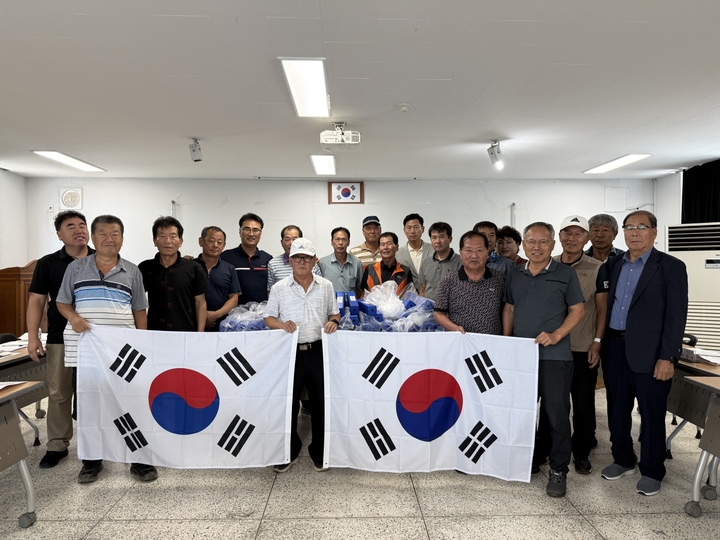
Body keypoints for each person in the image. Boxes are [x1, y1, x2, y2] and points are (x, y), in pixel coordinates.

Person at [56, 215, 153, 483]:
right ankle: (91, 461)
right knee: (90, 407)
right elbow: (62, 302)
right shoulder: (76, 268)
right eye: (103, 234)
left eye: (115, 234)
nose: (109, 239)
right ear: (93, 237)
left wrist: (141, 343)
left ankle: (139, 460)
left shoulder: (132, 271)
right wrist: (74, 318)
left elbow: (139, 310)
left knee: (131, 404)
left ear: (122, 238)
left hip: (123, 352)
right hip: (86, 350)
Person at [599, 210, 688, 496]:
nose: (635, 232)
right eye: (629, 227)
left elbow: (676, 316)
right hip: (615, 347)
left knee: (651, 414)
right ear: (623, 232)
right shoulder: (613, 264)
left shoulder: (671, 267)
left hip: (652, 354)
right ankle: (623, 459)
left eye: (641, 226)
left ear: (654, 232)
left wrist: (668, 357)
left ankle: (652, 470)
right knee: (616, 409)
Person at [503, 222, 584, 498]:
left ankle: (559, 469)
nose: (536, 247)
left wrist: (557, 334)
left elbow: (577, 310)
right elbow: (509, 308)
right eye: (531, 242)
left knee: (557, 415)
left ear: (552, 244)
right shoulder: (515, 274)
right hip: (522, 357)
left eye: (542, 242)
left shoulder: (565, 274)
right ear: (524, 245)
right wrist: (507, 342)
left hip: (554, 356)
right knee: (523, 412)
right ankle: (529, 459)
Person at [535, 216, 605, 476]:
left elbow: (602, 309)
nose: (572, 238)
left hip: (581, 347)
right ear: (559, 237)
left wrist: (597, 342)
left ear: (587, 238)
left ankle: (582, 451)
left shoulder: (598, 268)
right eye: (567, 233)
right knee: (552, 404)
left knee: (583, 403)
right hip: (551, 349)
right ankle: (544, 449)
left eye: (578, 234)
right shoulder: (548, 265)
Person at [263, 239, 340, 472]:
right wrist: (281, 324)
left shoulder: (326, 286)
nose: (302, 262)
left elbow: (334, 314)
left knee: (320, 403)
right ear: (290, 260)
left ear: (315, 260)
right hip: (290, 353)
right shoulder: (279, 288)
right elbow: (268, 318)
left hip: (318, 350)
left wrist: (333, 322)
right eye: (297, 257)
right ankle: (289, 451)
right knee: (288, 402)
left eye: (307, 257)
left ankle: (319, 451)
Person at [27, 210, 94, 469]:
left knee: (96, 392)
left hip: (95, 338)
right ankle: (57, 444)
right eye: (71, 226)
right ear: (59, 234)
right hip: (59, 336)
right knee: (59, 392)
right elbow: (36, 300)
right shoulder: (48, 263)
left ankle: (97, 445)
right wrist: (33, 336)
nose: (79, 230)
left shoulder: (101, 258)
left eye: (82, 225)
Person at [139, 216, 209, 332]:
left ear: (181, 241)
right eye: (162, 236)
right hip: (154, 332)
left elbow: (200, 303)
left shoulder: (194, 268)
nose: (168, 241)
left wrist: (199, 334)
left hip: (186, 332)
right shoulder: (145, 268)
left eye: (173, 236)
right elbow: (137, 303)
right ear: (154, 241)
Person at [434, 231, 505, 335]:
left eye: (479, 250)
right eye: (468, 250)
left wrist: (506, 337)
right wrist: (455, 328)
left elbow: (507, 311)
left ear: (487, 252)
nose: (474, 255)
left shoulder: (499, 279)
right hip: (461, 341)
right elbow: (438, 314)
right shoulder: (449, 281)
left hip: (492, 341)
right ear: (461, 253)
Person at [195, 226, 240, 331]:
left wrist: (215, 314)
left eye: (219, 242)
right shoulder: (190, 267)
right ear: (201, 241)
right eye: (211, 241)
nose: (215, 245)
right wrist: (202, 316)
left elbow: (234, 297)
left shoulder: (229, 268)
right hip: (192, 324)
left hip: (222, 325)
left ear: (224, 245)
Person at [220, 213, 273, 303]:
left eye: (255, 230)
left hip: (261, 310)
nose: (251, 234)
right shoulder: (225, 257)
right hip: (233, 310)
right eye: (247, 229)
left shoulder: (268, 259)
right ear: (240, 232)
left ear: (260, 234)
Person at [267, 225, 320, 292]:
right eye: (287, 239)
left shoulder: (312, 262)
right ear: (282, 242)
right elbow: (270, 292)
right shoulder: (273, 264)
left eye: (295, 239)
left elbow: (320, 287)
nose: (292, 243)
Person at [419, 222, 461, 301]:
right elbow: (422, 288)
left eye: (441, 237)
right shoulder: (425, 262)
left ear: (450, 239)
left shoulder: (460, 262)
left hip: (452, 307)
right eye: (434, 238)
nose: (438, 241)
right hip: (428, 307)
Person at [318, 226, 364, 296]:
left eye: (344, 239)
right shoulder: (322, 263)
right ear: (332, 242)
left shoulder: (357, 263)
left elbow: (360, 289)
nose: (340, 243)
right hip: (329, 302)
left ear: (348, 242)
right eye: (337, 239)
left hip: (350, 302)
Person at [396, 213, 432, 284]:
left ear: (423, 229)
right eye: (409, 228)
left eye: (416, 227)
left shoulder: (433, 250)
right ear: (404, 230)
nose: (412, 231)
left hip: (430, 290)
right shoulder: (398, 254)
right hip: (407, 290)